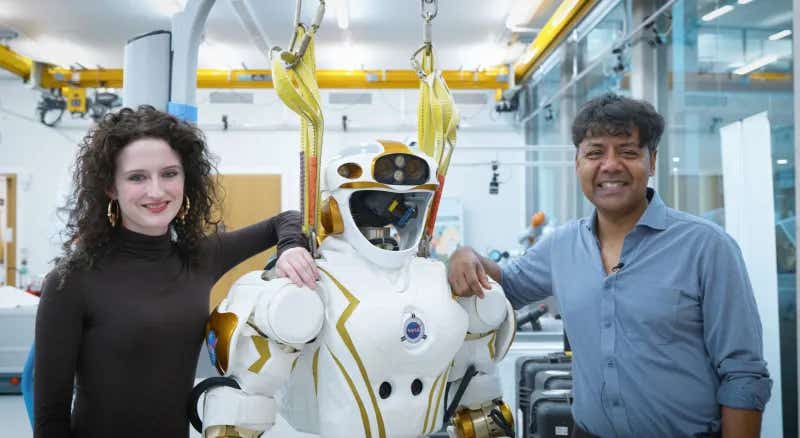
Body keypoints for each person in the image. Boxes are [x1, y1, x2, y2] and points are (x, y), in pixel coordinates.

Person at [448, 93, 772, 438]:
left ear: (653, 161)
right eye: (595, 152)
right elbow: (505, 287)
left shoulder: (707, 248)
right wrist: (464, 254)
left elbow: (743, 373)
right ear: (578, 163)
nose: (610, 165)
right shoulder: (562, 246)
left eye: (628, 151)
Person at [34, 105, 319, 438]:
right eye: (137, 177)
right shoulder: (72, 281)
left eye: (169, 173)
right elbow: (50, 419)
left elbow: (286, 219)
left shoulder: (198, 257)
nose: (156, 191)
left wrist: (292, 248)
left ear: (187, 178)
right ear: (110, 187)